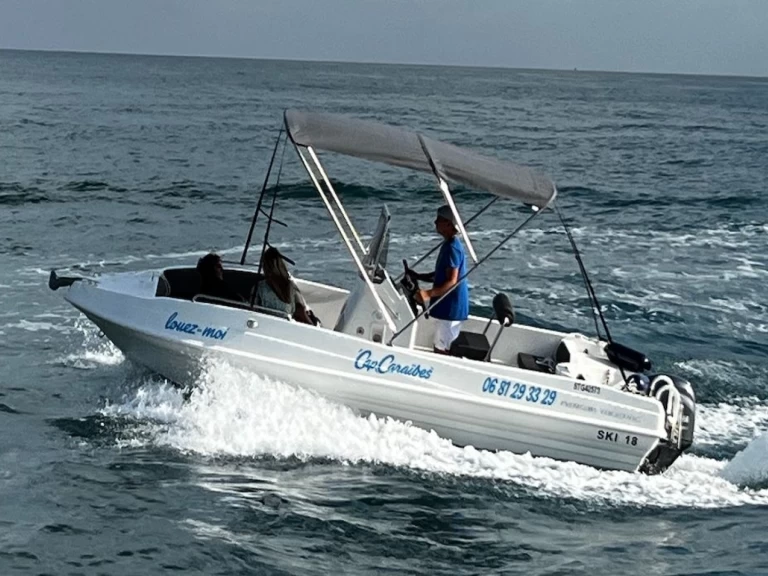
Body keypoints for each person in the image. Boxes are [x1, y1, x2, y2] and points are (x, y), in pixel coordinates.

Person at [413, 205, 469, 353]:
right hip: (446, 306)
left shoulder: (453, 248)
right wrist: (418, 276)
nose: (435, 222)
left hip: (451, 309)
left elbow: (451, 282)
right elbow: (441, 274)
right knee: (440, 343)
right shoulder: (448, 245)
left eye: (439, 219)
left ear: (449, 224)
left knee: (441, 348)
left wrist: (427, 294)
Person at [255, 247, 313, 324]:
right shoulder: (290, 286)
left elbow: (254, 310)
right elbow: (301, 311)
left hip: (266, 324)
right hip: (287, 324)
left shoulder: (260, 287)